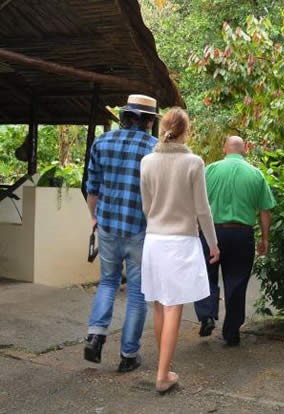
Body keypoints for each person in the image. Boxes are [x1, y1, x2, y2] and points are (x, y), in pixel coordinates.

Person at [140, 107, 220, 393]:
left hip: (154, 240)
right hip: (180, 241)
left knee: (160, 305)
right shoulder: (193, 162)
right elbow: (202, 209)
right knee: (174, 305)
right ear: (186, 131)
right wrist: (212, 242)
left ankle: (165, 366)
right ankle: (162, 375)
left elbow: (146, 206)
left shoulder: (147, 161)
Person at [84, 94, 159, 373]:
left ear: (125, 116)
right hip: (141, 229)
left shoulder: (102, 142)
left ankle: (95, 335)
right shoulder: (155, 148)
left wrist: (94, 218)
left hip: (108, 226)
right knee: (138, 293)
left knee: (108, 282)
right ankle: (128, 355)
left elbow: (93, 187)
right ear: (149, 121)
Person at [194, 135, 276, 346]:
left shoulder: (210, 170)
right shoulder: (256, 174)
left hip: (211, 233)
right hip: (242, 235)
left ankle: (207, 315)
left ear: (224, 149)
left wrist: (195, 228)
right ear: (244, 150)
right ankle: (231, 332)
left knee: (206, 275)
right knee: (237, 282)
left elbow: (197, 203)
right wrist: (265, 239)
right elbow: (265, 211)